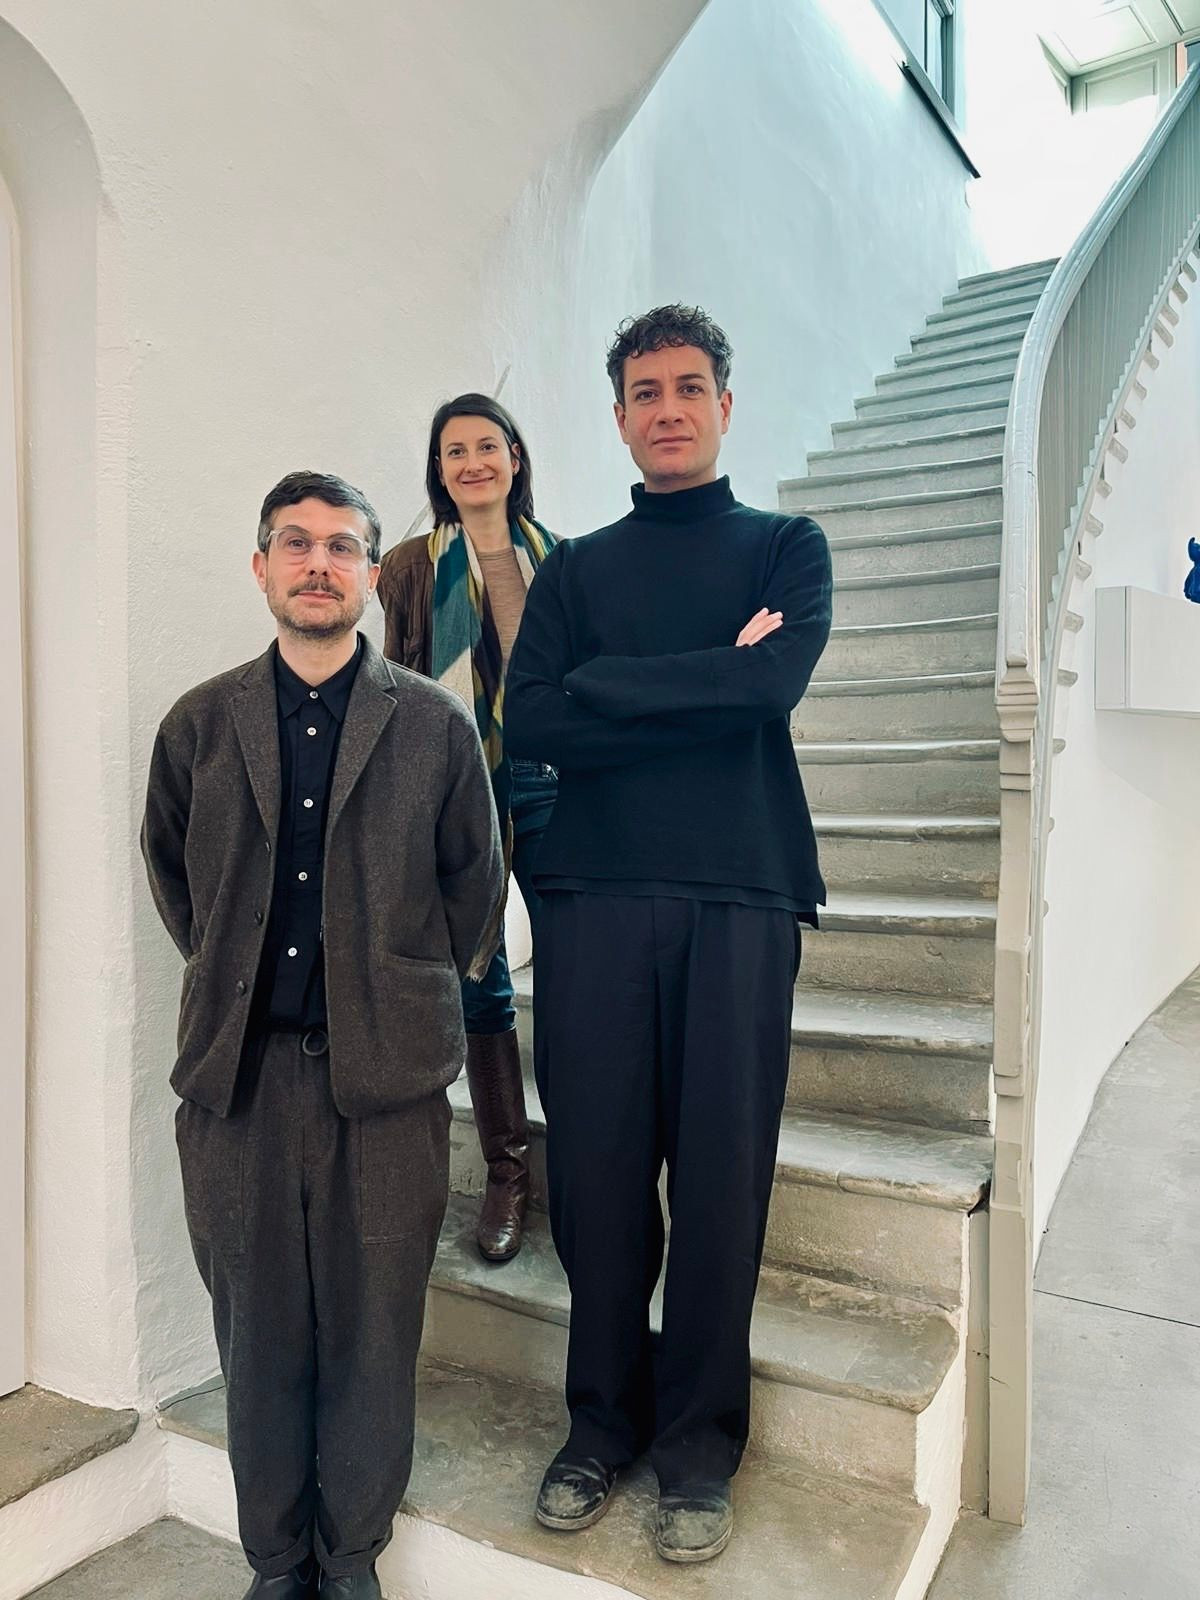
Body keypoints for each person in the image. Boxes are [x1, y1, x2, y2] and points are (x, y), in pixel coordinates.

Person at [505, 306, 832, 1564]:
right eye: (646, 392)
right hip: (591, 896)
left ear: (725, 405)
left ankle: (697, 1448)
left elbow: (770, 684)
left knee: (719, 1184)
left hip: (743, 893)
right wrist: (704, 679)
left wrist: (610, 686)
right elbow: (536, 717)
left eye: (690, 387)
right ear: (621, 416)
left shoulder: (786, 548)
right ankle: (600, 1423)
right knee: (594, 1182)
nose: (669, 408)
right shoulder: (577, 569)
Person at [141, 471, 503, 1600]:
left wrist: (390, 993)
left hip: (386, 1089)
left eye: (342, 546)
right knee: (255, 1337)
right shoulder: (199, 725)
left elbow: (474, 890)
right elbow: (175, 878)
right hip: (238, 1087)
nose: (317, 563)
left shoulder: (434, 726)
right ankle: (275, 1559)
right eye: (294, 543)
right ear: (261, 567)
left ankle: (350, 1560)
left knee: (373, 1331)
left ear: (370, 576)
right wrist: (240, 975)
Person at [376, 395, 558, 1264]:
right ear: (440, 471)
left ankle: (586, 1168)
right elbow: (394, 684)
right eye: (455, 451)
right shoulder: (409, 566)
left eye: (488, 445)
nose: (473, 462)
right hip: (459, 786)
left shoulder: (563, 560)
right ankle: (506, 1173)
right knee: (481, 977)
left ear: (515, 458)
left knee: (578, 973)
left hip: (553, 782)